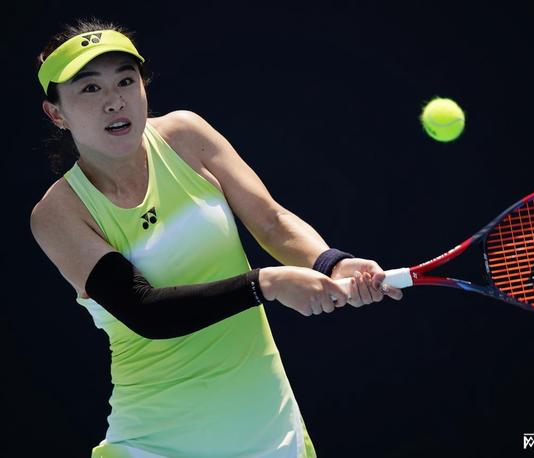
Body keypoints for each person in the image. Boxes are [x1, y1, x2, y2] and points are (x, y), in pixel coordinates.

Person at [29, 18, 403, 458]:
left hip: (272, 434)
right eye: (90, 88)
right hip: (153, 445)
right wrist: (266, 283)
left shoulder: (186, 136)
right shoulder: (59, 214)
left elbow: (272, 222)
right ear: (56, 113)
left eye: (126, 81)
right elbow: (145, 311)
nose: (114, 101)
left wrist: (330, 263)